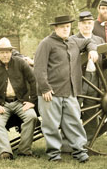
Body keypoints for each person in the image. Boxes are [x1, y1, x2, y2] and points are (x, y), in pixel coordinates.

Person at [34, 15, 98, 162]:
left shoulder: (74, 42)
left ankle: (80, 152)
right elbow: (39, 68)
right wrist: (44, 88)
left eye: (68, 27)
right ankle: (54, 155)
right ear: (55, 28)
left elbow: (89, 41)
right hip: (51, 93)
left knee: (74, 122)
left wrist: (92, 49)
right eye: (62, 27)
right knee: (51, 125)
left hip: (70, 92)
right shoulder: (46, 43)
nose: (65, 29)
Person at [0, 38, 38, 160]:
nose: (5, 55)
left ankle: (24, 150)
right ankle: (5, 152)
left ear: (11, 52)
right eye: (2, 52)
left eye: (7, 52)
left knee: (32, 117)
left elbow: (33, 80)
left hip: (20, 102)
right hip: (3, 104)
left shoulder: (21, 63)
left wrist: (31, 101)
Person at [72, 11, 105, 143]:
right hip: (79, 80)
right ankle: (71, 140)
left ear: (93, 24)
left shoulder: (100, 40)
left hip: (95, 79)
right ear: (79, 25)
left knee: (91, 111)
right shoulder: (73, 40)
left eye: (89, 23)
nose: (87, 26)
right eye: (84, 23)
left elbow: (104, 63)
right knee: (73, 111)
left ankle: (88, 141)